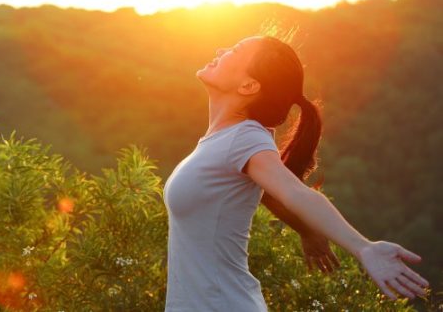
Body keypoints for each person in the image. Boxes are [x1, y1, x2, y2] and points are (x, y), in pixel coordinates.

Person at [162, 35, 430, 311]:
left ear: (248, 85)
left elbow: (294, 192)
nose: (221, 49)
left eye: (235, 50)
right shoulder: (223, 141)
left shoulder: (245, 139)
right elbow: (265, 192)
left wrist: (363, 247)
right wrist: (305, 228)